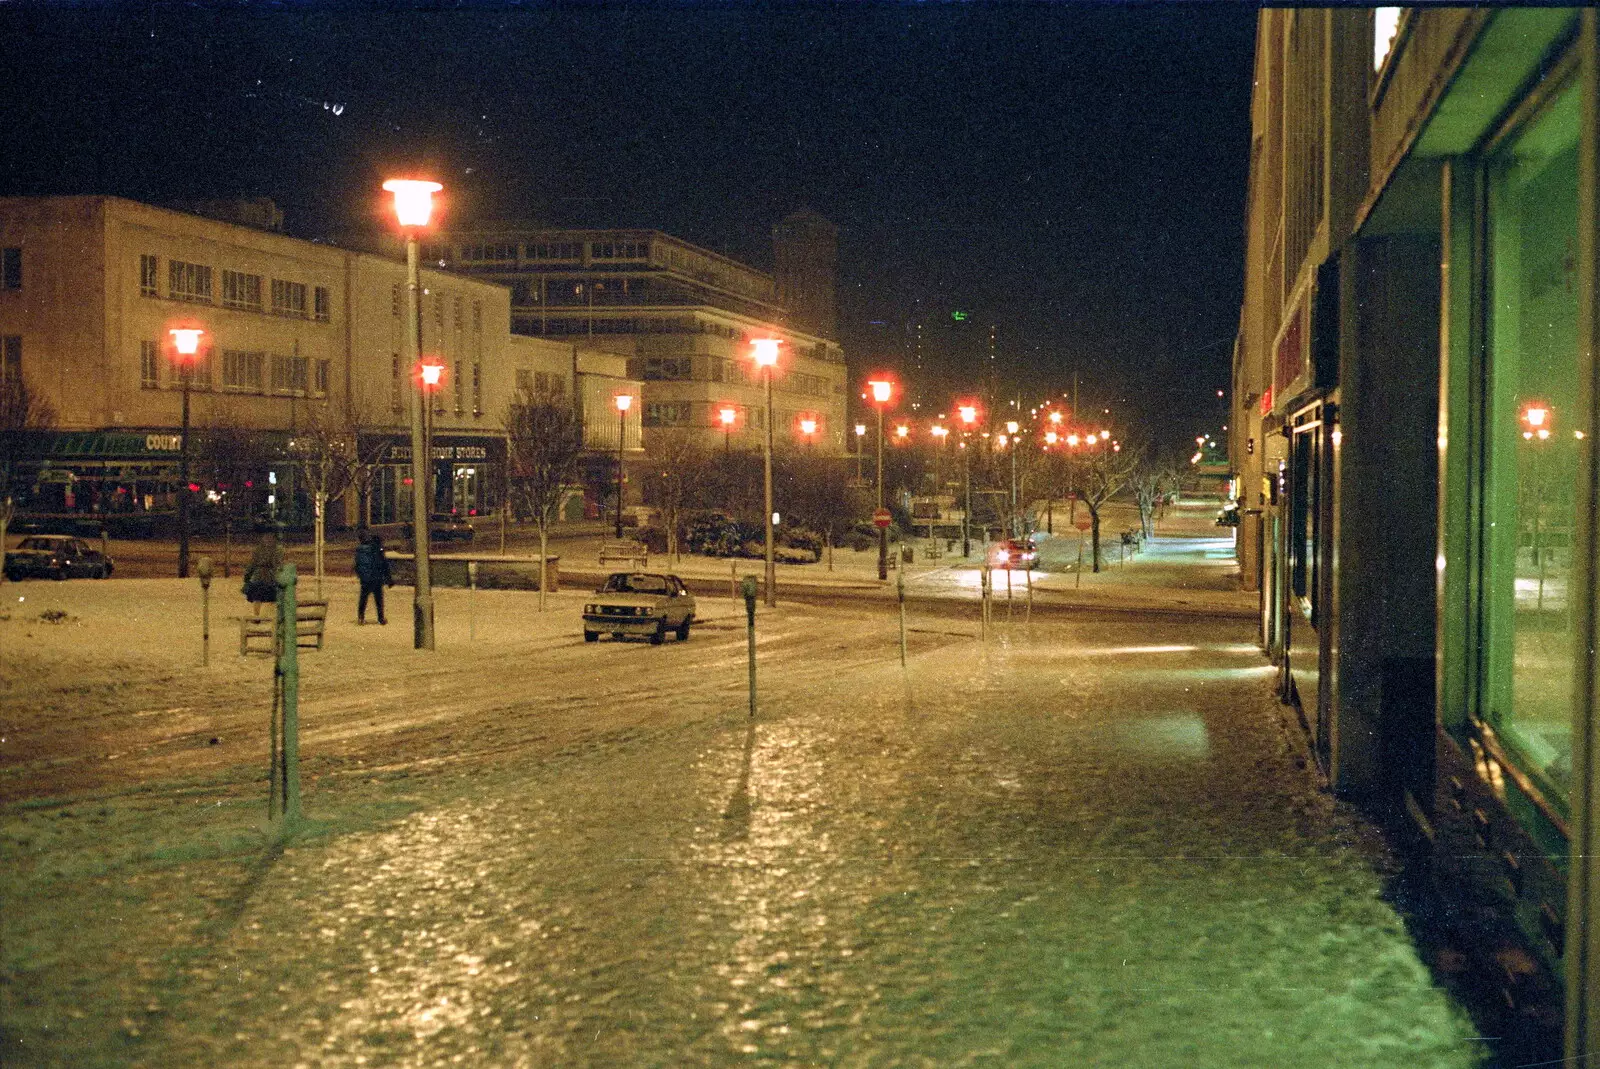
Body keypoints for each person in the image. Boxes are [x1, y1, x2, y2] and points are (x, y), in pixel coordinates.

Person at [242, 527, 283, 618]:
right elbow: (279, 564)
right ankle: (264, 616)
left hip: (262, 576)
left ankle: (259, 616)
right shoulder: (277, 549)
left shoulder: (259, 549)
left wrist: (247, 577)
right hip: (268, 576)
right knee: (269, 597)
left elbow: (252, 564)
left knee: (259, 597)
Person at [354, 533, 393, 625]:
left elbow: (357, 565)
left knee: (363, 598)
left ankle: (361, 617)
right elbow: (384, 565)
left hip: (365, 578)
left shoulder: (361, 550)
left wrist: (361, 575)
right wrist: (389, 579)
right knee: (379, 599)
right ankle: (380, 618)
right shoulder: (378, 550)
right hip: (376, 578)